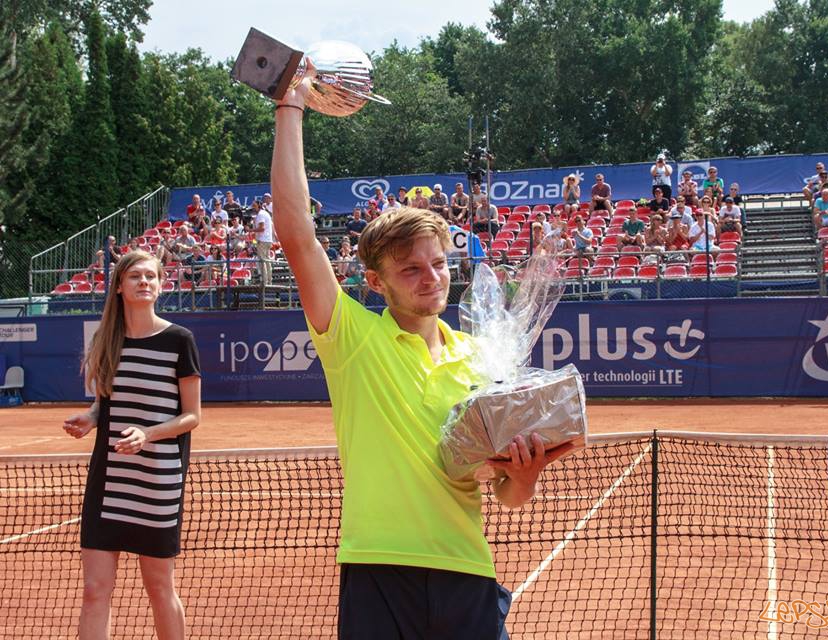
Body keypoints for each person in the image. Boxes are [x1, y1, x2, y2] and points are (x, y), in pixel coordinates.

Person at [271, 78, 571, 639]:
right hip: (379, 568)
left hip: (467, 569)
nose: (431, 277)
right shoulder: (351, 336)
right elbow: (297, 235)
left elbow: (506, 493)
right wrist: (291, 106)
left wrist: (525, 475)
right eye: (411, 269)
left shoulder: (482, 357)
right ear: (376, 281)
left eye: (437, 263)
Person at [62, 250, 200, 640]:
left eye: (151, 277)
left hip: (157, 482)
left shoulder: (179, 341)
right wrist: (91, 418)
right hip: (108, 481)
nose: (144, 282)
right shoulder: (108, 340)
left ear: (160, 286)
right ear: (120, 286)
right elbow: (107, 400)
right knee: (94, 591)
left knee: (159, 588)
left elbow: (192, 416)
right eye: (135, 276)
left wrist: (148, 433)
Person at [254, 201, 274, 285]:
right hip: (268, 240)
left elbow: (262, 228)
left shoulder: (261, 214)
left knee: (263, 261)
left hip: (263, 240)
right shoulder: (265, 213)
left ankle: (265, 281)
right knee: (267, 261)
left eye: (254, 205)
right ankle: (269, 280)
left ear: (259, 205)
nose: (253, 206)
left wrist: (250, 230)